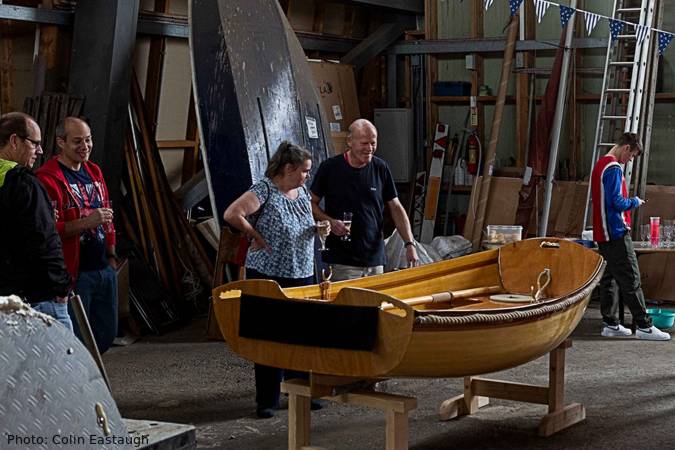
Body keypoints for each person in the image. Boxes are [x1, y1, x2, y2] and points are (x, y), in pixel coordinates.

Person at [224, 141, 325, 418]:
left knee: (302, 336)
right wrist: (255, 236)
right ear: (288, 168)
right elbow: (233, 213)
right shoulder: (264, 189)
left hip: (302, 271)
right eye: (304, 171)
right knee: (269, 335)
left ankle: (302, 393)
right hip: (268, 274)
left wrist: (318, 227)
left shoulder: (301, 191)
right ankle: (267, 399)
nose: (307, 176)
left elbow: (301, 222)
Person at [36, 117, 118, 352]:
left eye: (88, 140)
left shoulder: (94, 171)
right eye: (77, 141)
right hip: (75, 273)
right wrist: (86, 223)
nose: (85, 146)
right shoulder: (47, 179)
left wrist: (112, 255)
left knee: (106, 334)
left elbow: (107, 215)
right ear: (61, 143)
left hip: (103, 268)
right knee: (77, 341)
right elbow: (49, 231)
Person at [310, 118, 419, 281]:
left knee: (375, 305)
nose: (369, 149)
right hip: (343, 260)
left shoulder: (380, 168)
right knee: (349, 305)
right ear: (350, 142)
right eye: (364, 143)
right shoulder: (330, 168)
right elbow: (310, 203)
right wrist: (330, 221)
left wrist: (409, 244)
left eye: (373, 143)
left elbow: (396, 207)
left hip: (374, 260)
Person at [591, 132, 669, 341]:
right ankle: (644, 326)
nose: (630, 160)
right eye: (632, 156)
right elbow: (616, 201)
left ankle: (611, 324)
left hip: (602, 233)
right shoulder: (614, 168)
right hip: (616, 232)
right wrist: (634, 201)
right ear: (626, 148)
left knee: (610, 280)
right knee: (631, 278)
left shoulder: (600, 164)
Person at [0, 112, 72, 328]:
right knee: (62, 359)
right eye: (35, 144)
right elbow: (44, 239)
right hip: (34, 297)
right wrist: (60, 287)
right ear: (14, 141)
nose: (40, 151)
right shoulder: (24, 182)